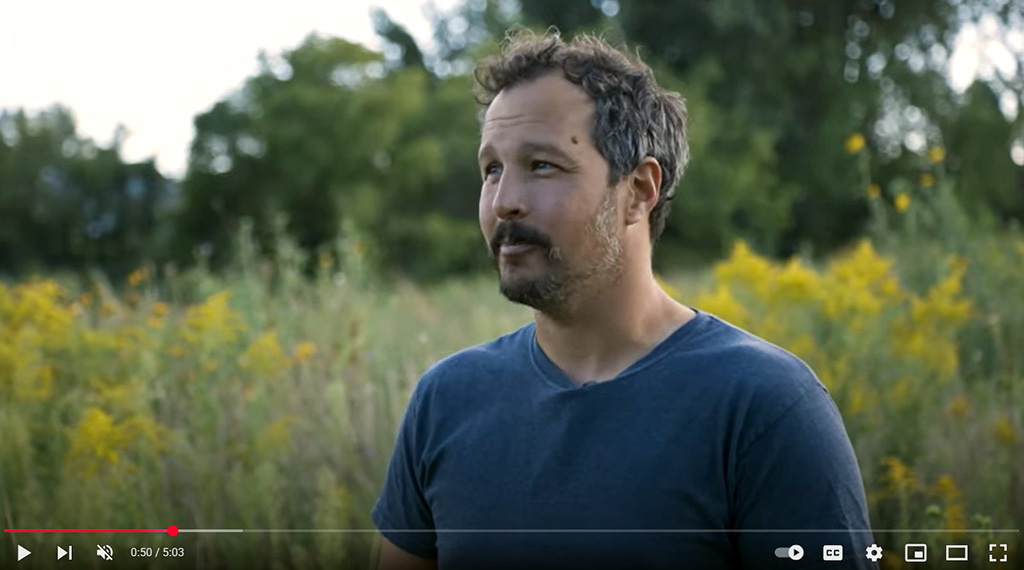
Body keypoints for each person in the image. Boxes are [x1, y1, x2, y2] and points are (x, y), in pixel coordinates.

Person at [371, 29, 878, 570]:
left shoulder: (764, 407)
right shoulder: (447, 400)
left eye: (541, 166)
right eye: (492, 169)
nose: (504, 202)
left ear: (638, 190)